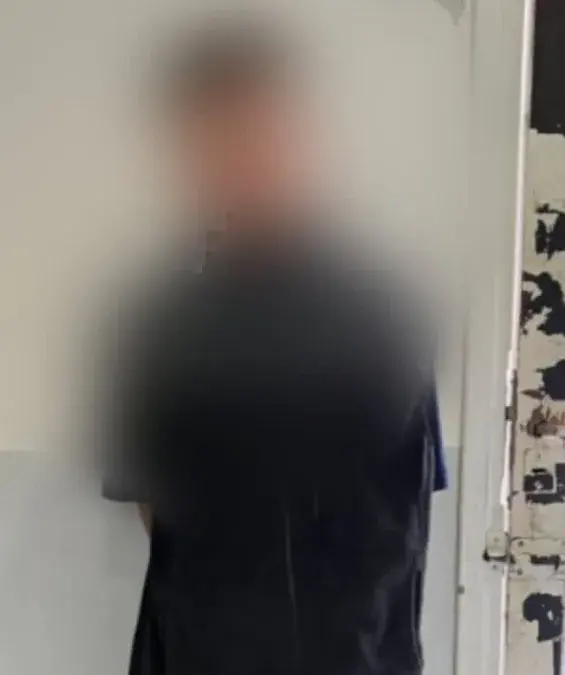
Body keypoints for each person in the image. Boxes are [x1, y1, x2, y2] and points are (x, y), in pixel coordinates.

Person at [100, 21, 447, 675]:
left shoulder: (388, 312)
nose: (245, 167)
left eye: (263, 138)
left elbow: (412, 501)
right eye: (220, 145)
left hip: (363, 658)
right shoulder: (157, 323)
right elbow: (154, 502)